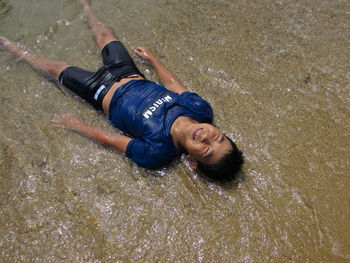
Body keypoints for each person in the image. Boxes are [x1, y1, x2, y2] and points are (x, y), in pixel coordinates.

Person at [0, 0, 244, 182]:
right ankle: (86, 7)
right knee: (106, 35)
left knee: (55, 69)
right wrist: (153, 59)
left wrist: (77, 126)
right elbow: (173, 85)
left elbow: (114, 140)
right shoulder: (199, 109)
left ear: (192, 161)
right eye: (218, 138)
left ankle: (9, 46)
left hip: (98, 91)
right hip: (127, 72)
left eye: (207, 151)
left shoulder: (157, 153)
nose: (207, 138)